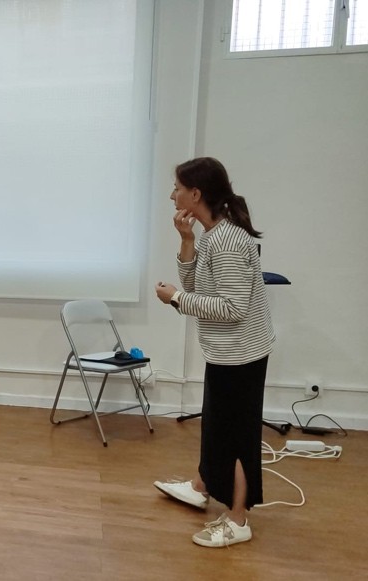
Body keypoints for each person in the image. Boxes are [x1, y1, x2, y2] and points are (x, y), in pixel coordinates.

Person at [153, 157, 274, 548]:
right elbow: (196, 286)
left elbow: (232, 307)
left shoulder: (227, 241)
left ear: (195, 193)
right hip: (226, 353)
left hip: (241, 356)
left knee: (235, 438)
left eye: (176, 188)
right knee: (218, 429)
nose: (171, 195)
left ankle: (238, 520)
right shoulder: (210, 235)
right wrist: (186, 242)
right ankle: (201, 485)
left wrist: (177, 298)